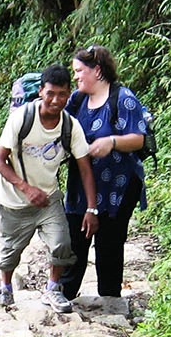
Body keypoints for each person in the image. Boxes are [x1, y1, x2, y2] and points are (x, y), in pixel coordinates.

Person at [0, 63, 97, 312]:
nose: (56, 100)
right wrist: (26, 188)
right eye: (50, 93)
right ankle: (5, 287)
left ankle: (52, 288)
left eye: (62, 94)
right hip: (13, 200)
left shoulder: (70, 126)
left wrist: (92, 209)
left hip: (48, 199)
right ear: (40, 91)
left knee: (62, 243)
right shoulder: (22, 119)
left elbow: (84, 168)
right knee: (10, 252)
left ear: (69, 94)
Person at [63, 44, 150, 301]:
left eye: (80, 71)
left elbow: (138, 138)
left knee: (109, 243)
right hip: (83, 184)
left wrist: (111, 142)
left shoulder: (123, 98)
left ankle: (110, 299)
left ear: (97, 70)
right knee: (75, 239)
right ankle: (66, 295)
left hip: (118, 185)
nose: (76, 76)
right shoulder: (77, 100)